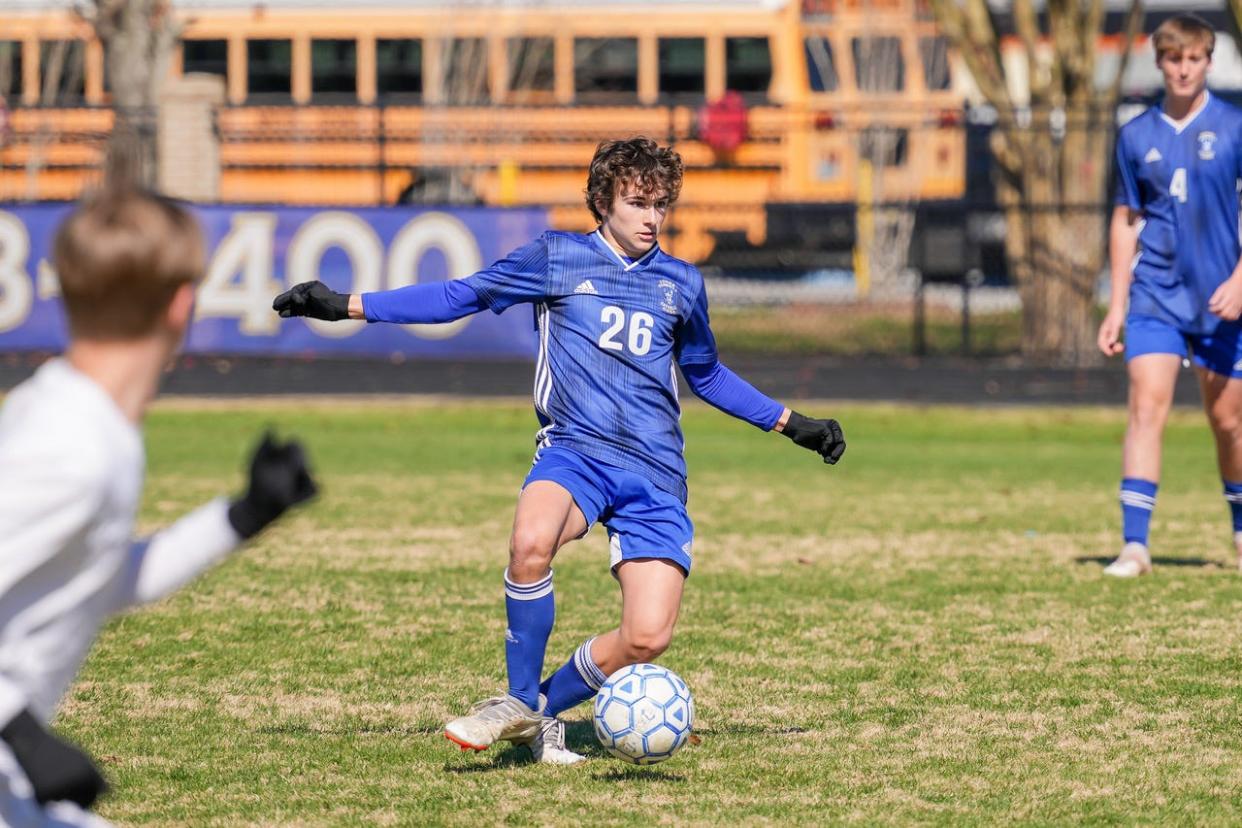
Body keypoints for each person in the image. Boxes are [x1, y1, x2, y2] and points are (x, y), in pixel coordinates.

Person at [274, 137, 845, 763]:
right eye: (637, 203)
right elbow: (459, 295)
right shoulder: (557, 258)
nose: (652, 218)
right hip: (575, 451)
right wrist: (347, 306)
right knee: (530, 541)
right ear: (603, 202)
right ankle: (518, 700)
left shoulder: (681, 284)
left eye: (661, 206)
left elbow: (705, 375)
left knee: (647, 636)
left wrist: (793, 424)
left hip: (656, 472)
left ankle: (537, 714)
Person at [0, 187, 317, 825]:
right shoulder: (71, 448)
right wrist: (22, 732)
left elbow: (95, 578)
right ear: (182, 303)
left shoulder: (85, 420)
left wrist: (242, 516)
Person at [1098, 14, 1242, 577]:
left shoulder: (1234, 127)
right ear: (1159, 63)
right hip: (1155, 295)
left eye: (1194, 58)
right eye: (1173, 58)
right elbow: (1125, 219)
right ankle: (1135, 545)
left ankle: (1238, 527)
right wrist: (1116, 305)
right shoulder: (1135, 135)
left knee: (1229, 422)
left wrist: (1239, 281)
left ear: (1208, 61)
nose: (1184, 69)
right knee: (1145, 406)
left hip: (1220, 301)